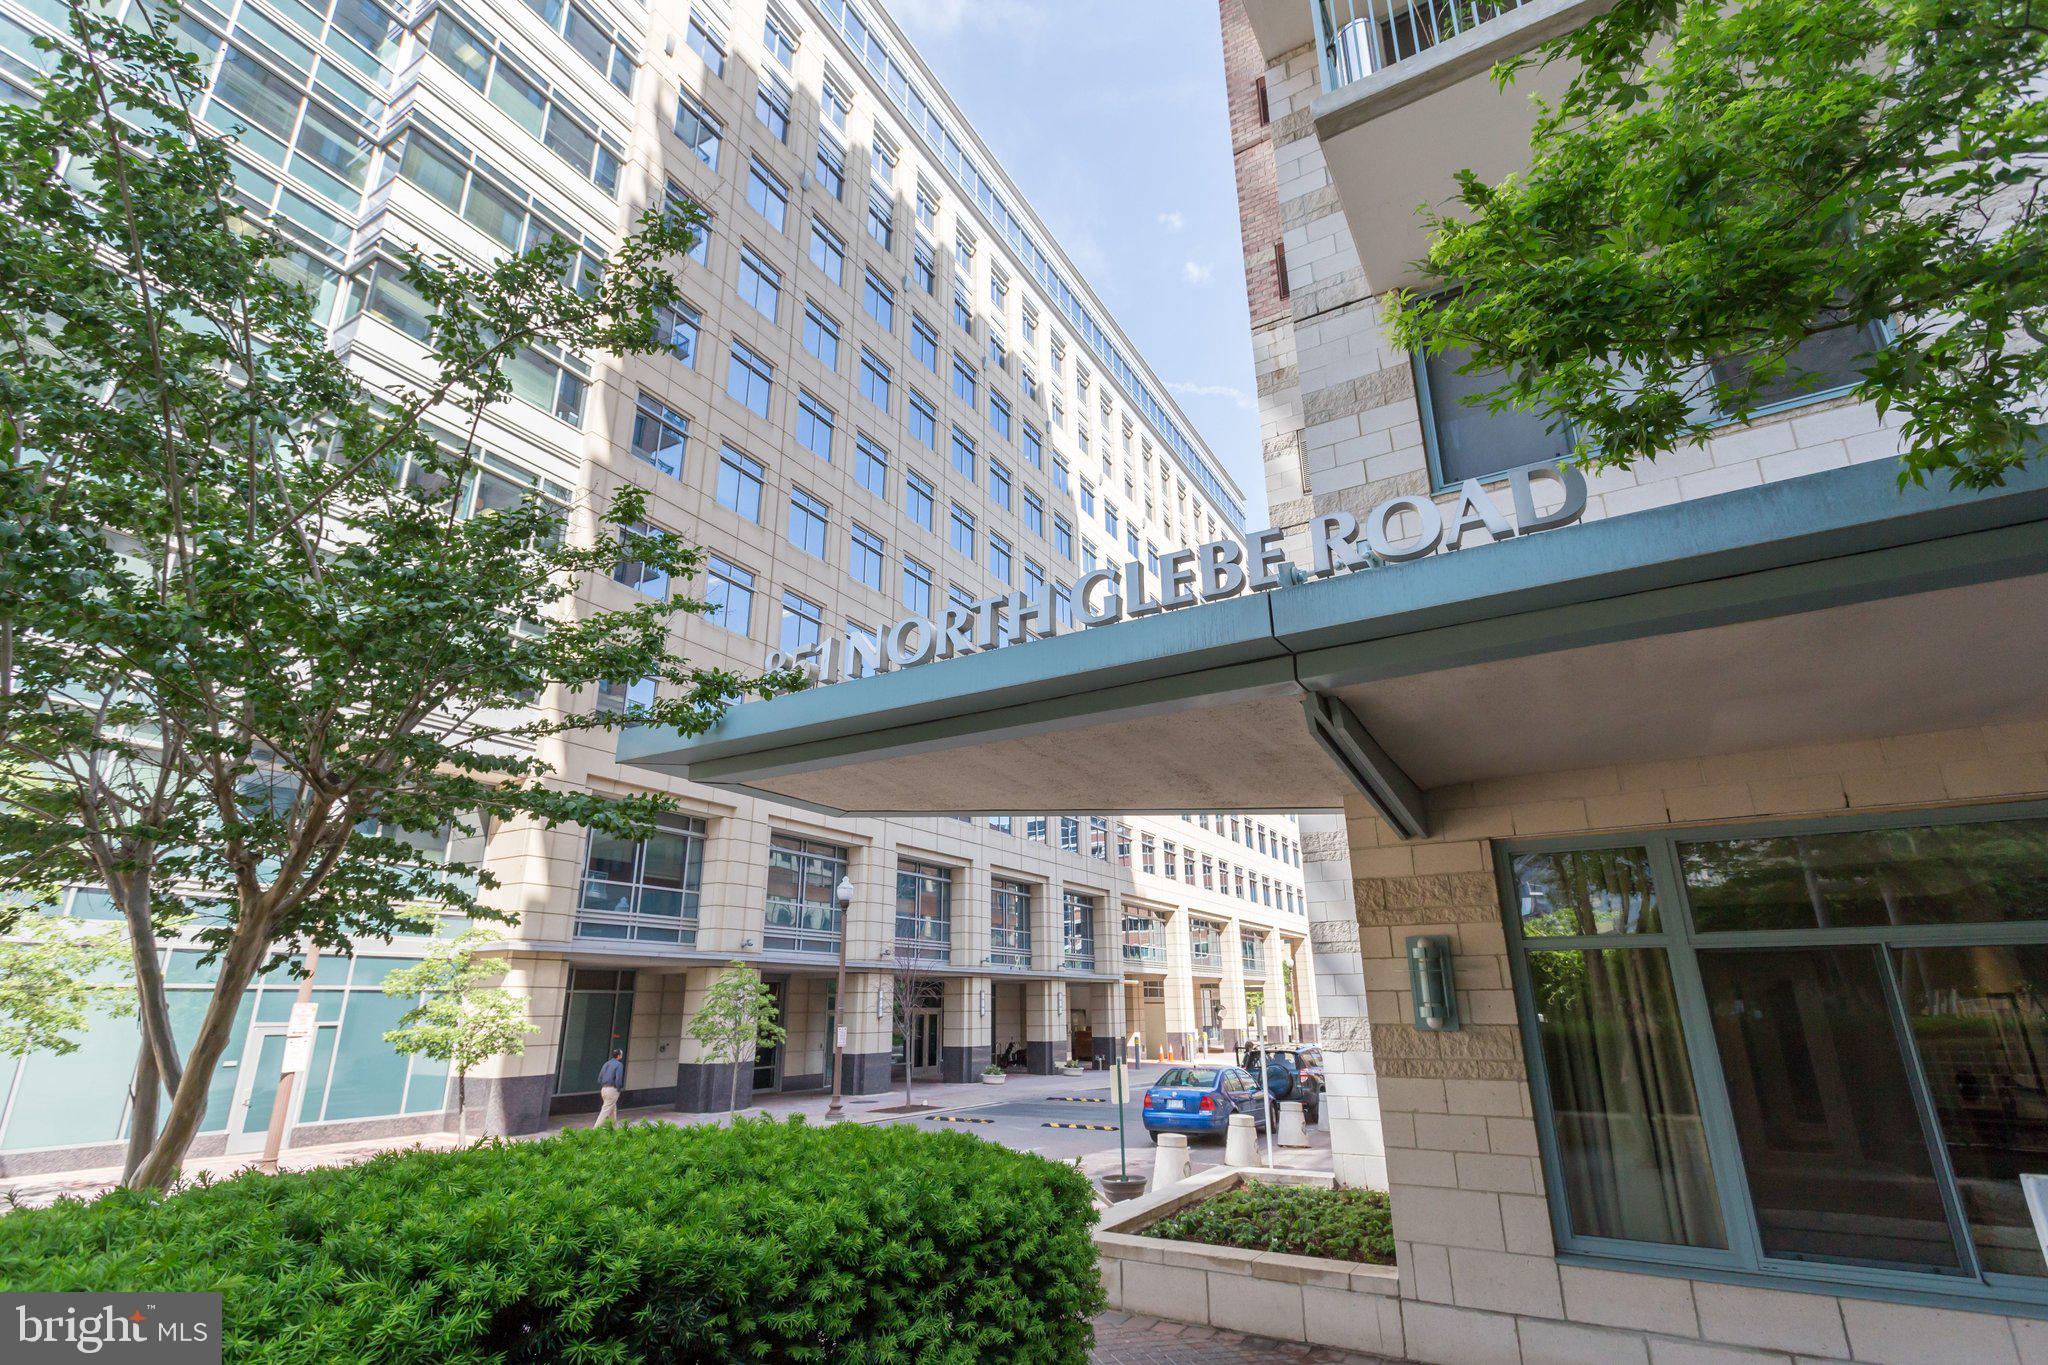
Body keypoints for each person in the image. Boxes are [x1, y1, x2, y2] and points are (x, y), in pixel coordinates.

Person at [596, 1049, 625, 1127]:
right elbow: (618, 1079)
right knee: (605, 1110)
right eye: (621, 1054)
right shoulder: (619, 1065)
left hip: (604, 1089)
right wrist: (618, 1089)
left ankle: (615, 1128)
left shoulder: (606, 1063)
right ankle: (595, 1130)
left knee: (612, 1109)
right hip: (612, 1089)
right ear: (619, 1056)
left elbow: (599, 1078)